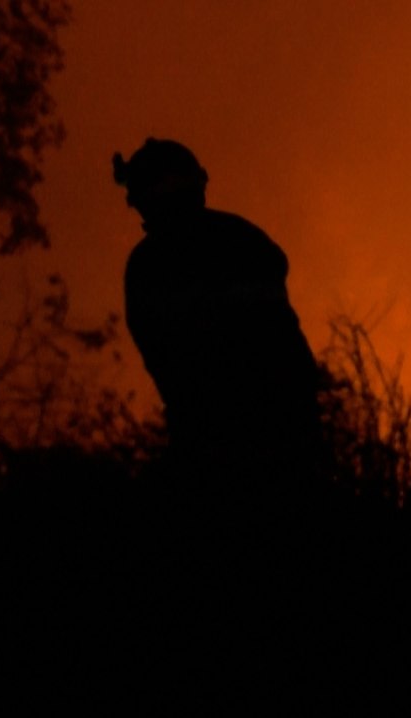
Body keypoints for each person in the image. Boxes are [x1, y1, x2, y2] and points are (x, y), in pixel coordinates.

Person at [113, 138, 322, 484]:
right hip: (271, 434)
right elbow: (287, 349)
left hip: (219, 441)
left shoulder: (148, 266)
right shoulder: (243, 240)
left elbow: (173, 368)